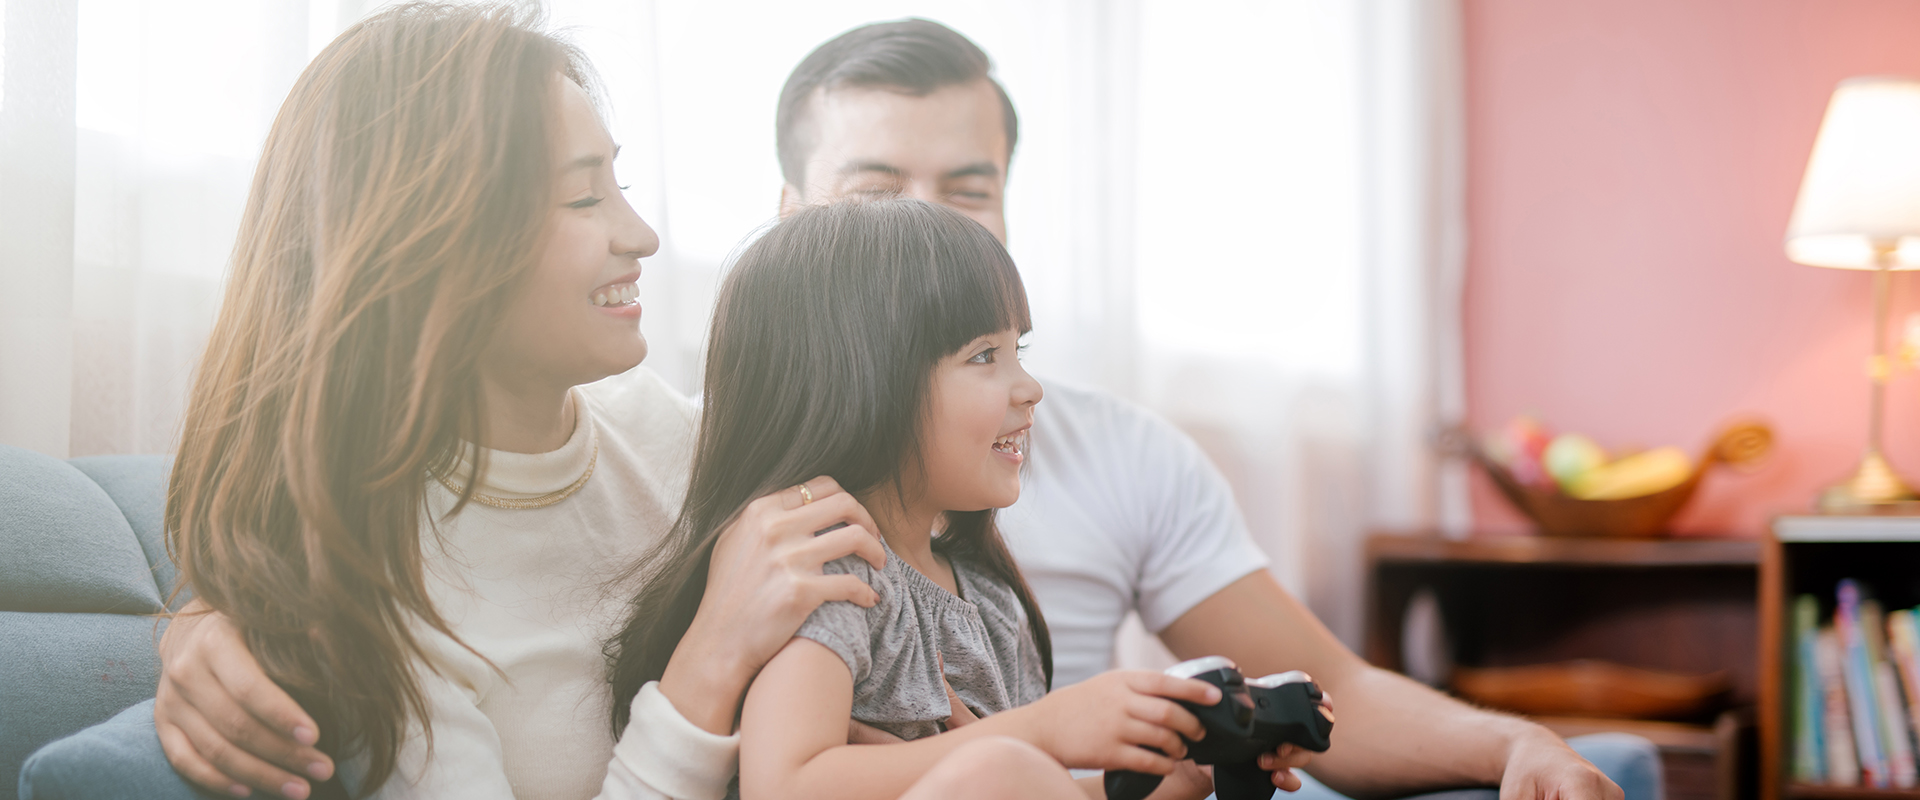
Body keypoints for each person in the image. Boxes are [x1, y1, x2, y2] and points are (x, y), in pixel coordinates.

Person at [21, 7, 1228, 800]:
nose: (642, 234)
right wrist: (704, 668)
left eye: (627, 183)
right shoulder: (379, 602)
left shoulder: (681, 440)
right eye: (586, 195)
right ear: (441, 244)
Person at [770, 18, 1656, 800]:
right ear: (791, 224)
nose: (931, 234)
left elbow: (1332, 678)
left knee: (1608, 763)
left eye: (966, 191)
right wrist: (1035, 739)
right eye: (878, 194)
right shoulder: (775, 502)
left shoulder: (1087, 478)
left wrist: (1519, 743)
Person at [607, 198, 1222, 800]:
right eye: (985, 356)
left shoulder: (990, 597)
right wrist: (1042, 731)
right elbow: (786, 784)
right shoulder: (830, 572)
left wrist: (1155, 783)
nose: (1029, 388)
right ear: (862, 386)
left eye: (1019, 352)